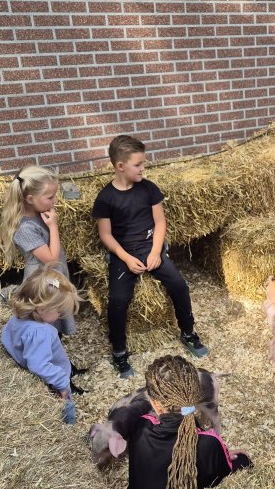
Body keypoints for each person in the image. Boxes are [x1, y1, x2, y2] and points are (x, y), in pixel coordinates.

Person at [92, 135, 208, 379]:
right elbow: (105, 235)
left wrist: (156, 252)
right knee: (118, 299)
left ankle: (188, 333)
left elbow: (160, 222)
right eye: (138, 164)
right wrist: (124, 257)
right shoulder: (105, 199)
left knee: (179, 285)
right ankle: (120, 352)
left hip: (150, 248)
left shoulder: (149, 189)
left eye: (143, 163)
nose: (143, 168)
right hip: (124, 255)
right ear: (120, 166)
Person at [127, 355, 252, 489]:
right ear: (195, 397)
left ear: (154, 404)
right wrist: (222, 455)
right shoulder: (210, 442)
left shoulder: (141, 426)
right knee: (243, 459)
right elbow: (218, 475)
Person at [0, 165, 76, 336]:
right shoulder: (25, 228)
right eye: (50, 197)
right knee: (47, 315)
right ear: (30, 198)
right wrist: (53, 226)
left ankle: (56, 345)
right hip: (43, 278)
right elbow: (50, 259)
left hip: (54, 273)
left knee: (56, 308)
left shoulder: (39, 214)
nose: (54, 201)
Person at [1, 264, 82, 424]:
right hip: (54, 384)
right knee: (66, 412)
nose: (59, 315)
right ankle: (70, 428)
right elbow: (39, 365)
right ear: (40, 309)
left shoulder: (19, 318)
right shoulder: (41, 333)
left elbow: (6, 336)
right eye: (58, 311)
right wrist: (63, 383)